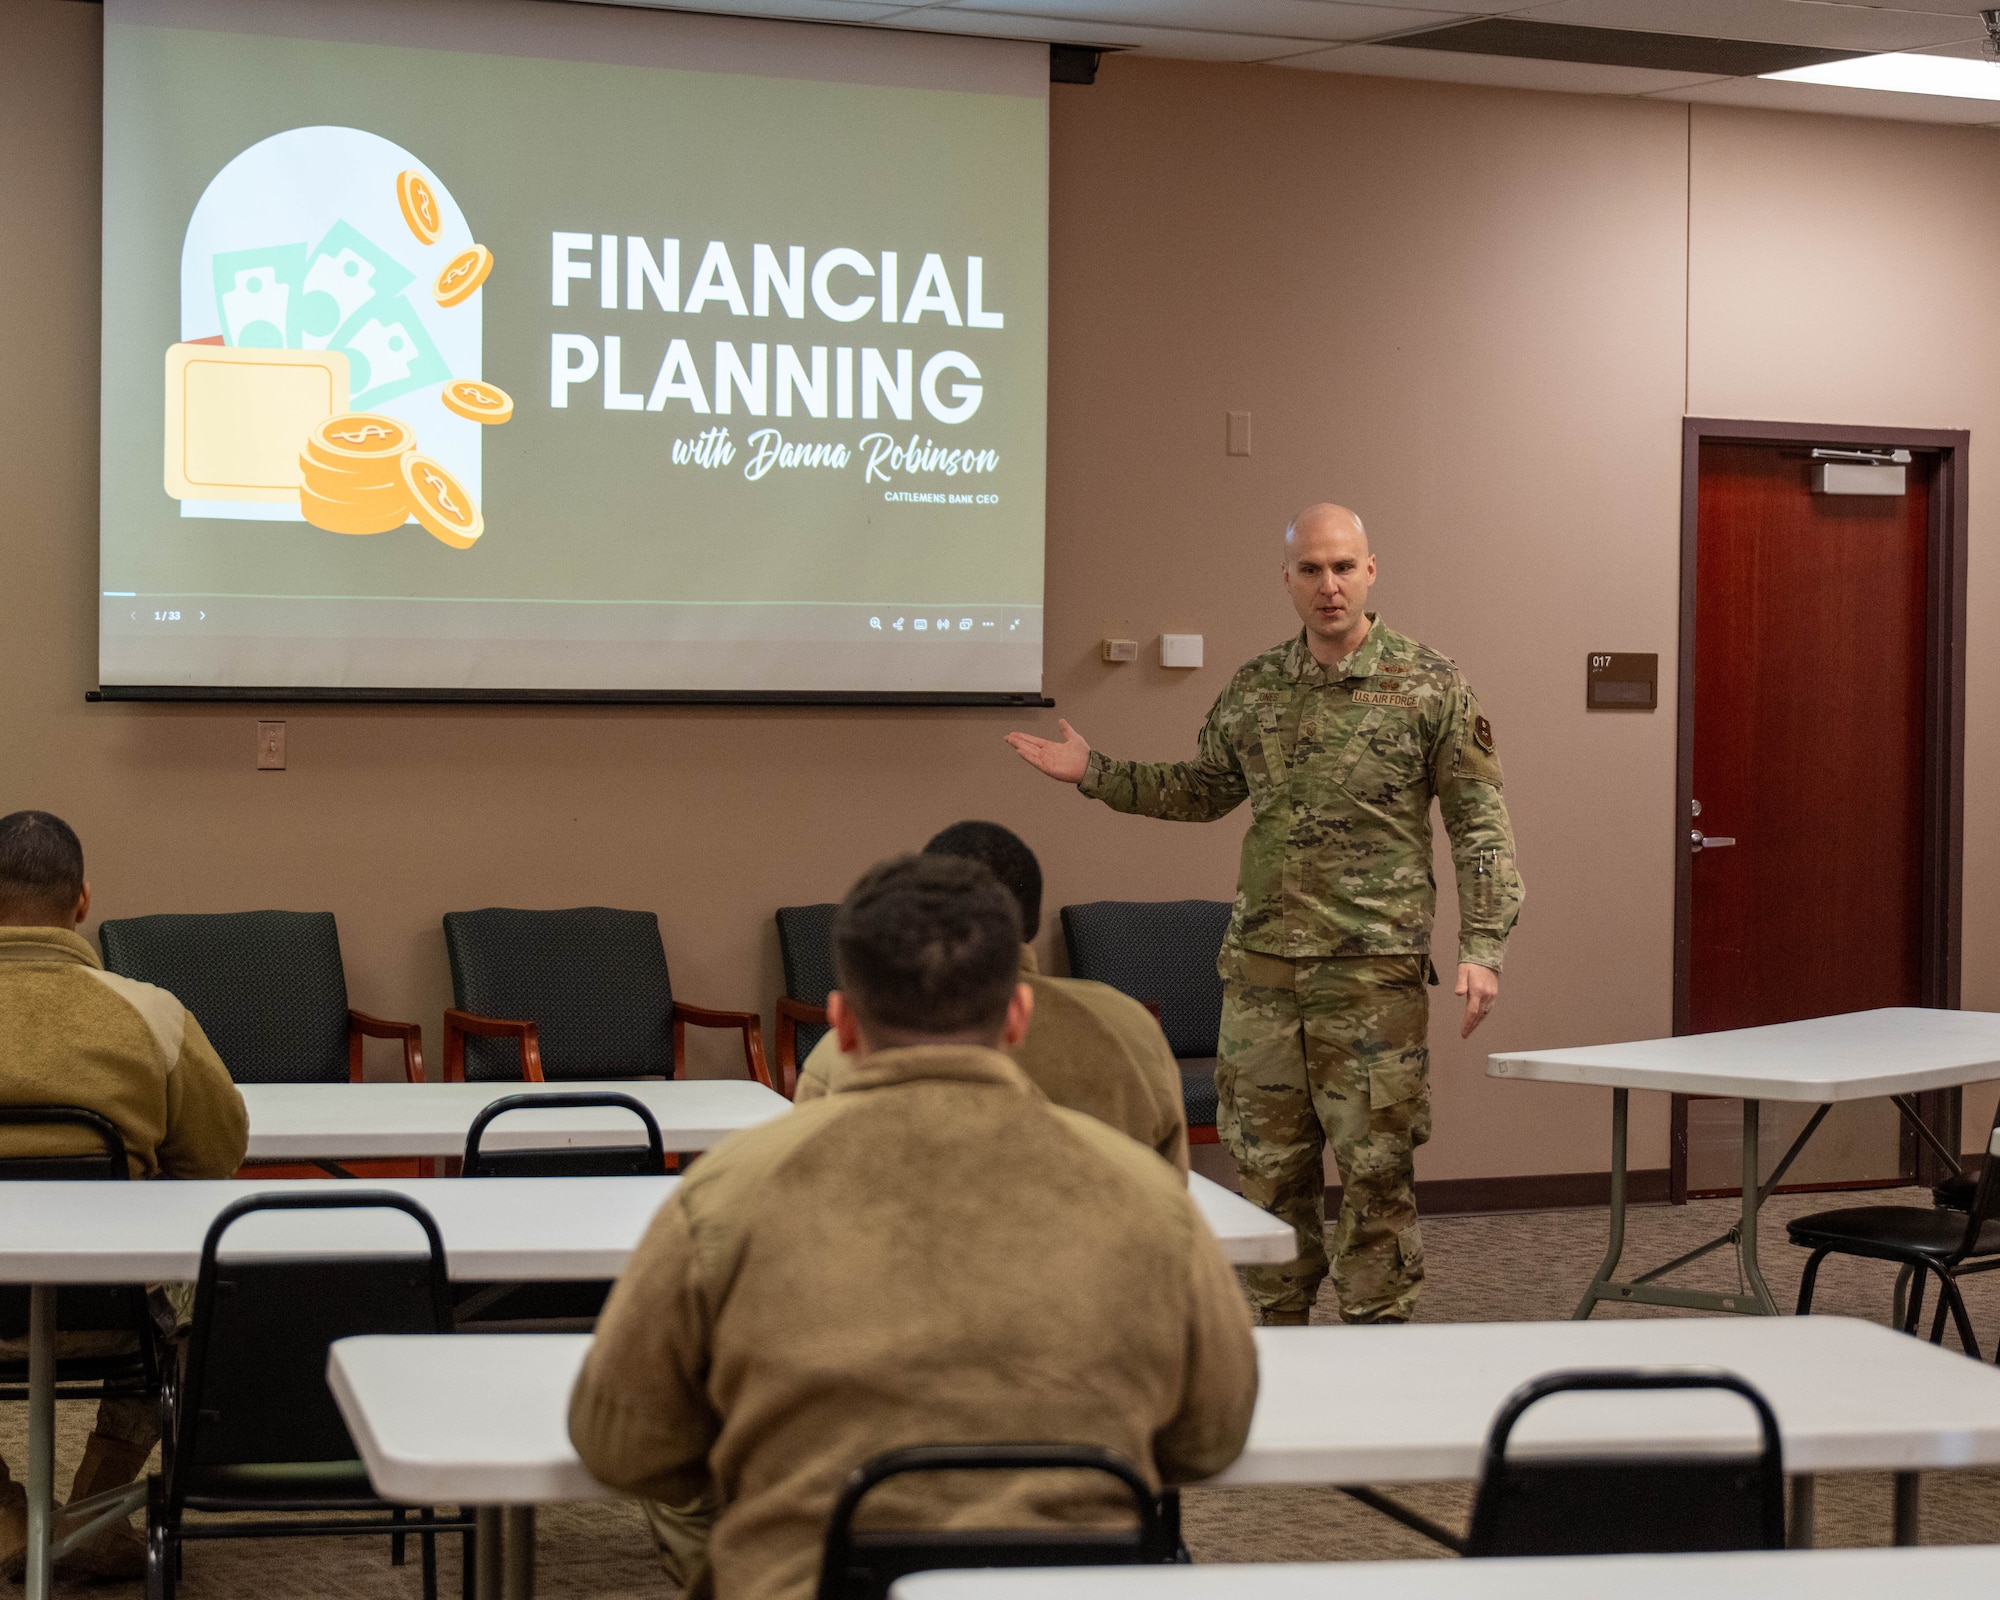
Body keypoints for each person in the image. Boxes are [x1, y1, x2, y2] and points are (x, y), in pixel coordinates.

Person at [570, 854, 1257, 1600]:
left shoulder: (728, 1191)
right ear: (1018, 1018)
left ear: (841, 1026)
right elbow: (1212, 1437)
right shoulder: (1148, 1197)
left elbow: (623, 1446)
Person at [1005, 504, 1523, 1326]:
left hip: (1370, 978)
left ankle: (1376, 1348)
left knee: (1375, 1170)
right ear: (1286, 579)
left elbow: (1479, 821)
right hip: (1261, 975)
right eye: (1311, 569)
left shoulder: (1430, 685)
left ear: (1372, 571)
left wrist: (1484, 944)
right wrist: (1094, 771)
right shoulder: (1256, 686)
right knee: (1267, 1170)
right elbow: (1202, 791)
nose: (1329, 586)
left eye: (1344, 567)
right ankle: (1273, 1349)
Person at [0, 811, 249, 1580]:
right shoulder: (152, 1014)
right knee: (198, 1295)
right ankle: (92, 1513)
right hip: (118, 1320)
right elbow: (217, 1155)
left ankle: (2, 1518)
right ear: (82, 902)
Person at [793, 821, 1187, 1175]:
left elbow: (803, 1185)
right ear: (1017, 1014)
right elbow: (1172, 1189)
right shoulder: (1131, 1027)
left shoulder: (844, 1050)